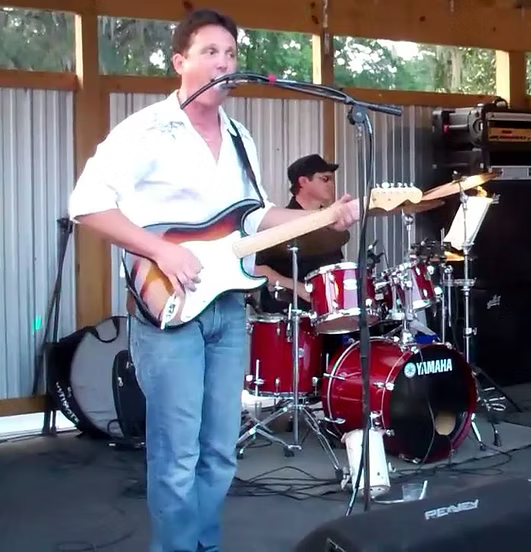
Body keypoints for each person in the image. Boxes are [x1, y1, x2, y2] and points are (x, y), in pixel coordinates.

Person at [67, 9, 359, 552]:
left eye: (230, 53)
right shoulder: (145, 130)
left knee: (220, 450)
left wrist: (325, 217)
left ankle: (204, 545)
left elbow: (252, 217)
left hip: (228, 307)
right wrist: (160, 249)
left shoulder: (240, 136)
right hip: (170, 308)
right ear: (179, 61)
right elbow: (86, 205)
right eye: (210, 52)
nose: (224, 63)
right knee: (177, 455)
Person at [253, 154, 350, 314]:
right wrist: (297, 287)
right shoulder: (280, 222)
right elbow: (257, 268)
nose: (331, 184)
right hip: (288, 315)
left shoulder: (329, 227)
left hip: (326, 312)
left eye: (332, 180)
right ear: (303, 181)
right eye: (325, 179)